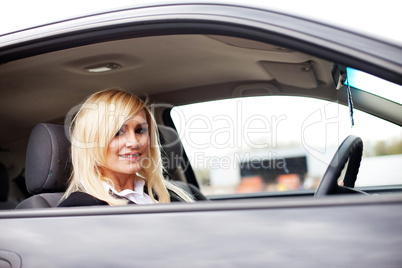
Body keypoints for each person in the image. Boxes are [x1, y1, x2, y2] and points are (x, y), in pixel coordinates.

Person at [58, 88, 202, 207]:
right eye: (118, 132)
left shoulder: (169, 195)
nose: (133, 142)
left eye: (140, 131)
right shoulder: (81, 208)